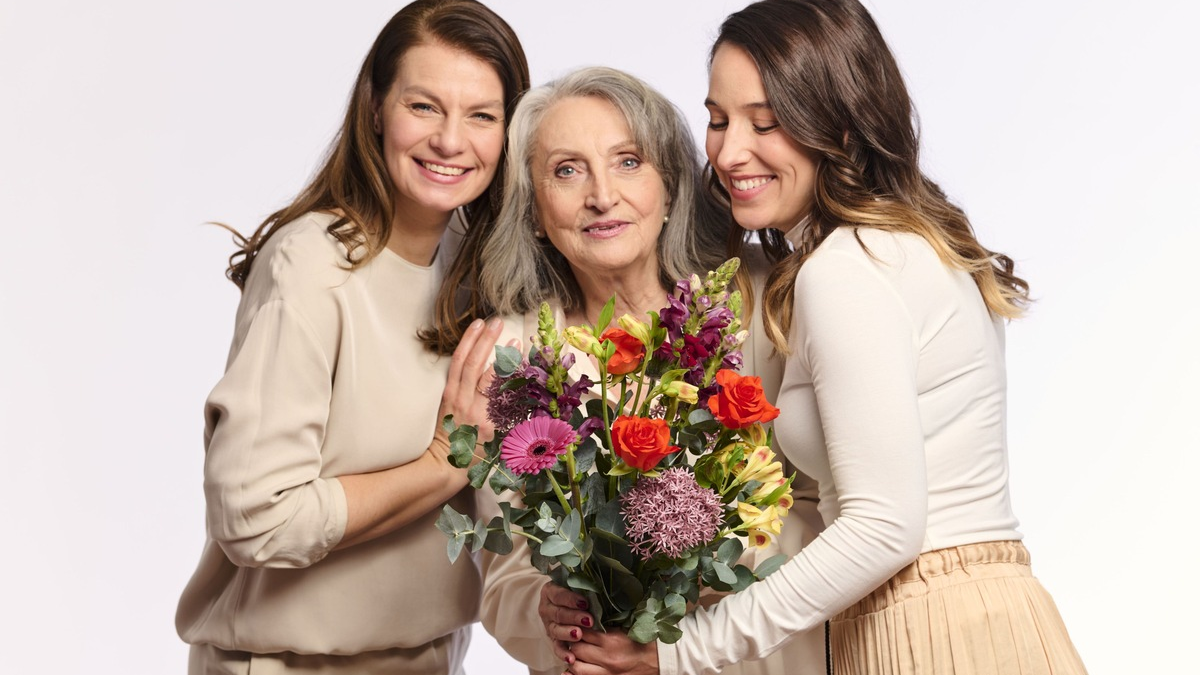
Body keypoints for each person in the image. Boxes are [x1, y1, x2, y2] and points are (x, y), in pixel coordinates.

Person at [540, 1, 1088, 674]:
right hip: (980, 613)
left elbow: (886, 524)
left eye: (765, 123)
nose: (729, 151)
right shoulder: (901, 241)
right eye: (717, 119)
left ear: (841, 123)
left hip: (925, 628)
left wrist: (684, 651)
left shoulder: (846, 269)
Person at [174, 2, 529, 673]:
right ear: (375, 107)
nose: (451, 140)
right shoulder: (309, 267)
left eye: (481, 115)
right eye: (423, 106)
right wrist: (438, 465)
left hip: (427, 658)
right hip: (285, 662)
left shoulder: (482, 270)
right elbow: (257, 517)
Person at [444, 67, 824, 675]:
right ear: (535, 211)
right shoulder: (511, 353)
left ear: (669, 188)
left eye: (628, 162)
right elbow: (504, 566)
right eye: (567, 170)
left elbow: (823, 503)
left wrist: (696, 599)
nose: (601, 195)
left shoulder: (760, 301)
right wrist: (548, 612)